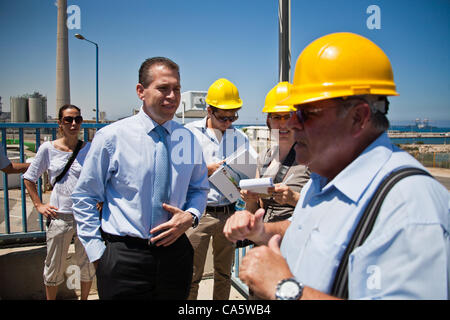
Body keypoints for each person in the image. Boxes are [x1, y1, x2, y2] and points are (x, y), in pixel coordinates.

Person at [223, 32, 450, 300]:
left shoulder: (410, 206)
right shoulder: (324, 179)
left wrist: (283, 289)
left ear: (358, 117)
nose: (292, 125)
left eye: (306, 113)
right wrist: (262, 231)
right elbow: (304, 230)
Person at [71, 57, 209, 300]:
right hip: (124, 257)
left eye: (176, 89)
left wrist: (191, 216)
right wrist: (98, 255)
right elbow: (84, 196)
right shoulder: (111, 138)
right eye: (163, 88)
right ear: (140, 91)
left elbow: (199, 189)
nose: (172, 95)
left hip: (175, 254)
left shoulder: (186, 139)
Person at [185, 78, 250, 300]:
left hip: (229, 212)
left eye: (234, 117)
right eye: (224, 117)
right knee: (191, 275)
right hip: (199, 214)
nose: (229, 122)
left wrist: (245, 185)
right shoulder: (189, 134)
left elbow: (247, 174)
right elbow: (177, 175)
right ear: (209, 110)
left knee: (224, 274)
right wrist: (205, 170)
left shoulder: (240, 138)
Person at [23, 104, 95, 300]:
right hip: (59, 216)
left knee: (87, 263)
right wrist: (39, 205)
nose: (73, 124)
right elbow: (29, 178)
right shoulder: (48, 149)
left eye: (77, 119)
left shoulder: (89, 149)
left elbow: (98, 178)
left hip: (85, 215)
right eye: (68, 120)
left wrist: (99, 200)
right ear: (60, 123)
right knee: (54, 265)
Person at [241, 82, 310, 222]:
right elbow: (255, 212)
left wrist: (294, 199)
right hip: (264, 237)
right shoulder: (263, 158)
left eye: (288, 116)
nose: (283, 124)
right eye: (277, 117)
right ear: (268, 121)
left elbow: (329, 210)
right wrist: (250, 201)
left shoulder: (313, 158)